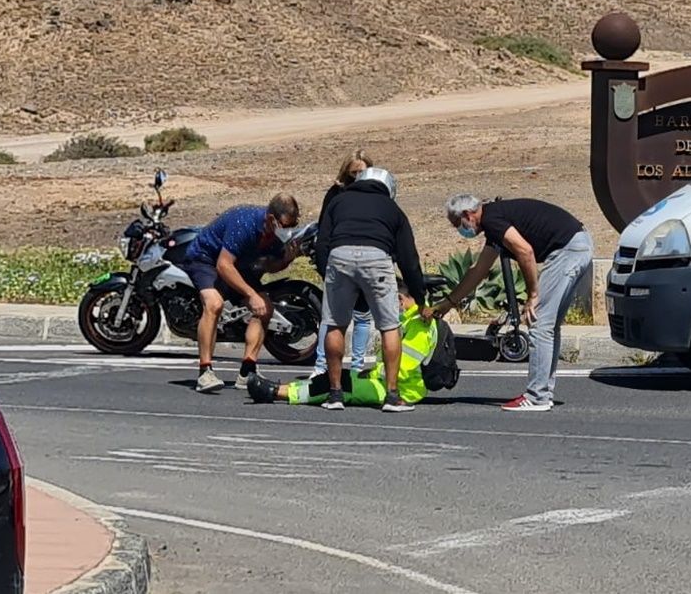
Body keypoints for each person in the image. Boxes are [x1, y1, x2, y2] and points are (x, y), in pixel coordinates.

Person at [428, 195, 592, 412]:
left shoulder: (492, 220)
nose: (461, 230)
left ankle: (537, 397)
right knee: (548, 326)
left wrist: (533, 294)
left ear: (468, 215)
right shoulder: (496, 223)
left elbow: (525, 251)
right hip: (578, 245)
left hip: (566, 251)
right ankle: (543, 393)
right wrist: (448, 303)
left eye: (458, 224)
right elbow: (478, 270)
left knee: (540, 324)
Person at [315, 167, 426, 413]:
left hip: (339, 256)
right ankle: (392, 395)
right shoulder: (392, 209)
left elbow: (321, 242)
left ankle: (334, 394)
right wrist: (419, 296)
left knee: (335, 324)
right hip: (377, 257)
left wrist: (328, 274)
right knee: (389, 326)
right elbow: (409, 258)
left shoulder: (338, 201)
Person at [177, 194, 301, 393]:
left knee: (265, 308)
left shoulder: (275, 236)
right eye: (285, 225)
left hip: (238, 265)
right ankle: (205, 372)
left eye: (292, 225)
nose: (287, 231)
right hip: (206, 259)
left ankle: (247, 371)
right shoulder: (245, 222)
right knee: (214, 304)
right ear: (271, 219)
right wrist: (251, 294)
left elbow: (269, 266)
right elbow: (223, 265)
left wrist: (287, 259)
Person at [247, 281, 436, 407]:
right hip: (388, 383)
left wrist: (372, 373)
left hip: (402, 390)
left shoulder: (420, 326)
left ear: (401, 299)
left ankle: (275, 392)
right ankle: (284, 388)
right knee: (336, 377)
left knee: (343, 385)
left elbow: (404, 367)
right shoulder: (409, 321)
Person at [312, 151, 375, 379]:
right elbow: (324, 229)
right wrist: (323, 262)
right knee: (331, 317)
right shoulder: (336, 194)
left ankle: (357, 367)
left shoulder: (379, 193)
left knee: (362, 315)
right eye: (354, 172)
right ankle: (321, 366)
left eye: (362, 171)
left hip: (368, 258)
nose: (358, 176)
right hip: (339, 259)